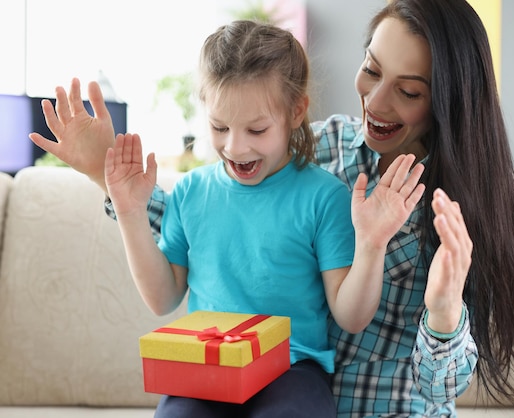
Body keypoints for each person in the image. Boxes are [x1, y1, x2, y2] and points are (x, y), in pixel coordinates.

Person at [30, 0, 514, 416]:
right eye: (371, 70)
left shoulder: (457, 210)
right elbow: (217, 222)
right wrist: (106, 176)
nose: (376, 102)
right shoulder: (317, 145)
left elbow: (441, 385)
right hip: (231, 377)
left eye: (406, 91)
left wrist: (444, 310)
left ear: (447, 101)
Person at [106, 20, 424, 418]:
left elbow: (350, 316)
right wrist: (130, 214)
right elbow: (163, 298)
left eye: (257, 129)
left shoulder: (324, 196)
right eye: (219, 127)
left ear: (296, 112)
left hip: (292, 369)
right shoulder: (191, 192)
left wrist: (372, 244)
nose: (235, 147)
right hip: (205, 370)